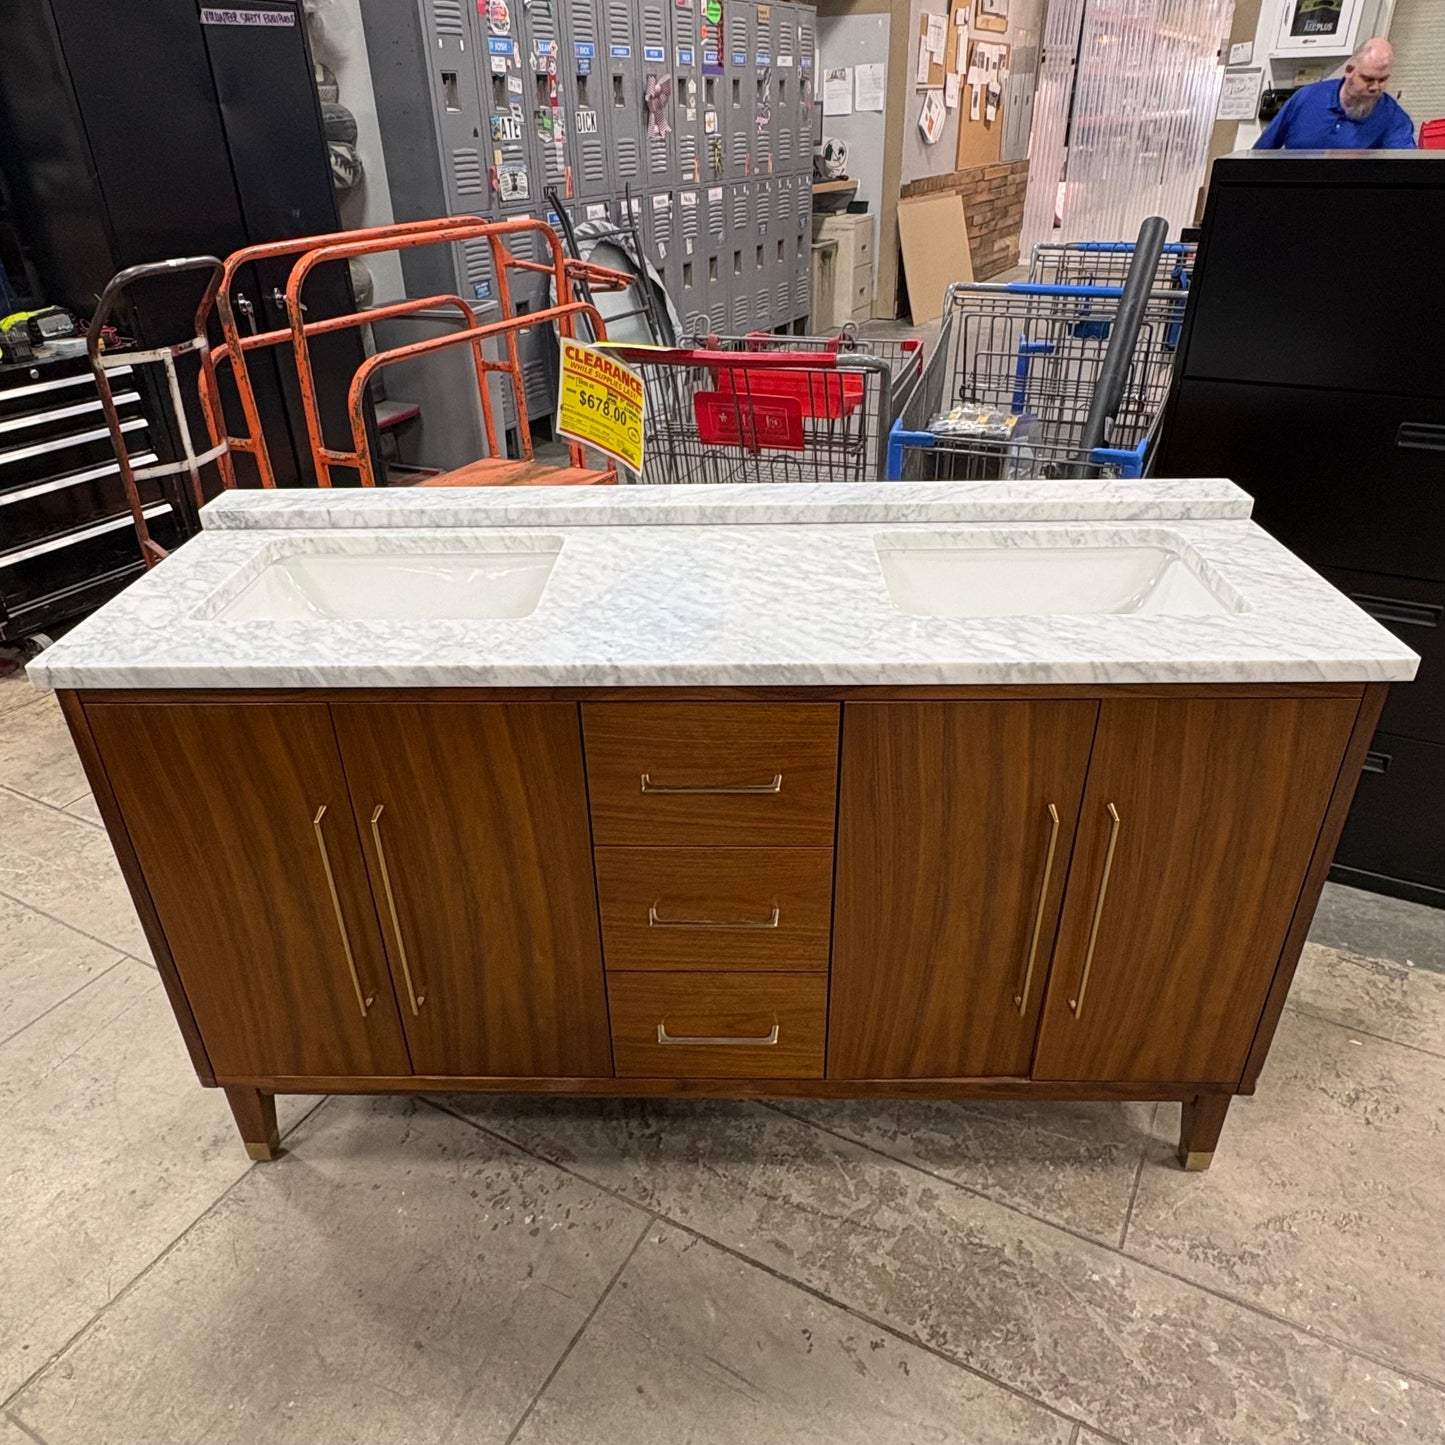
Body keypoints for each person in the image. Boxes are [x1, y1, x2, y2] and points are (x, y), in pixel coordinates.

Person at [1255, 37, 1416, 150]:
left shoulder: (1394, 119)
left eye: (1383, 80)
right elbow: (1259, 155)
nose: (1375, 87)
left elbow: (1405, 174)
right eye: (1368, 79)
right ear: (1349, 70)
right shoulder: (1306, 99)